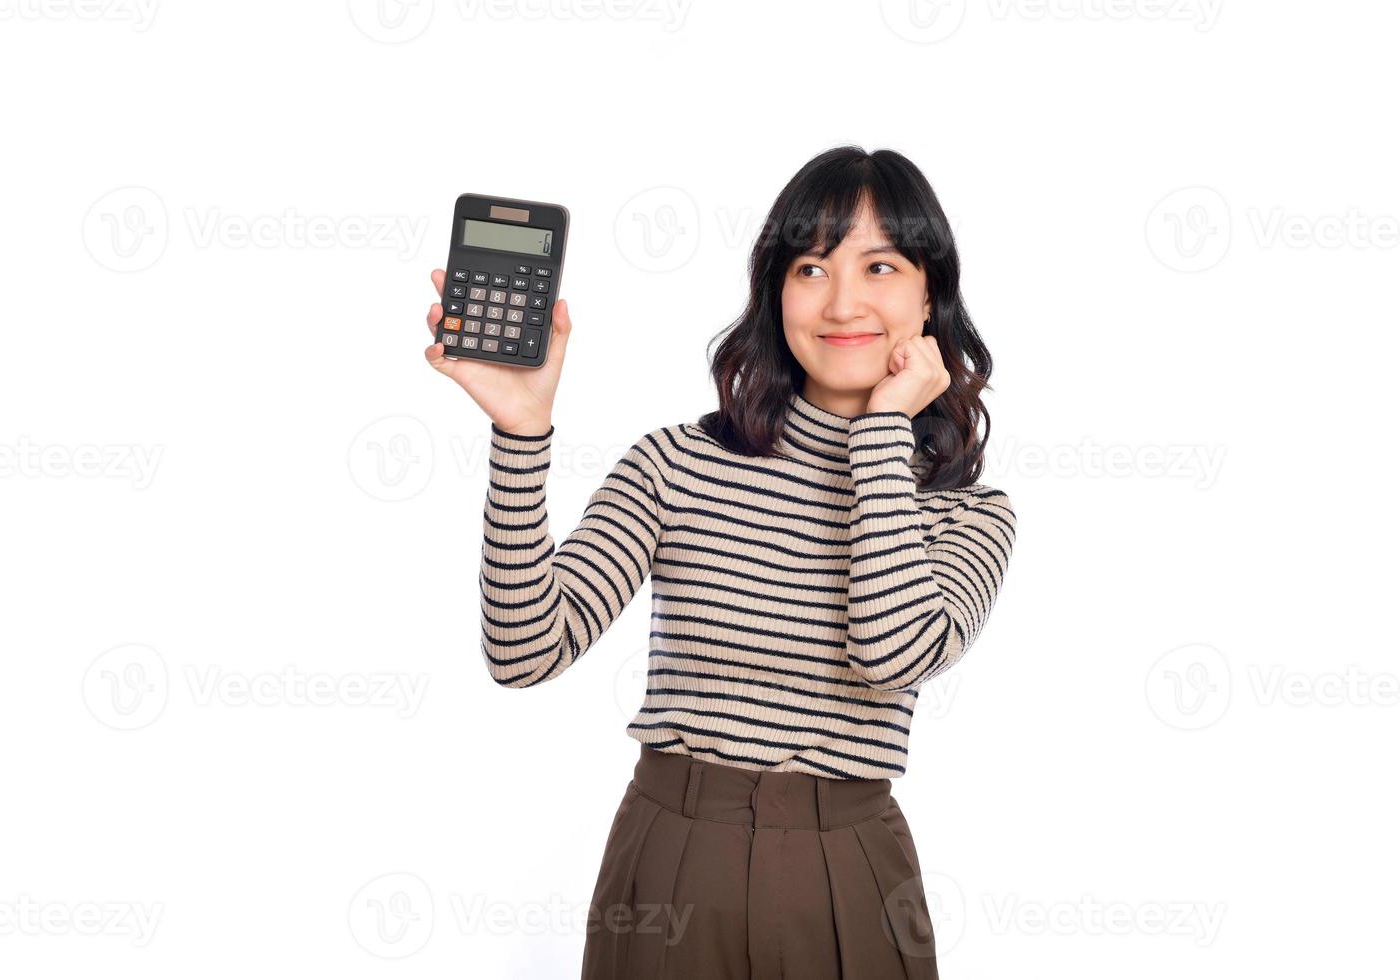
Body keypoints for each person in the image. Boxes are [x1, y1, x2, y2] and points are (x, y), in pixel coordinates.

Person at [423, 145, 1017, 979]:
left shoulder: (965, 514)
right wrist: (522, 436)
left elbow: (888, 656)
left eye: (880, 265)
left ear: (930, 295)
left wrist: (883, 430)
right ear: (777, 292)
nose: (843, 300)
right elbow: (524, 653)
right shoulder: (676, 463)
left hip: (850, 878)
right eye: (812, 267)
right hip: (672, 863)